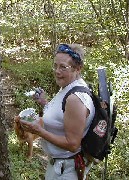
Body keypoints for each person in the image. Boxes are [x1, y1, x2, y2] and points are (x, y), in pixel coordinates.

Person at [20, 43, 95, 180]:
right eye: (55, 66)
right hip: (60, 166)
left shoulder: (75, 98)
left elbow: (72, 144)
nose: (57, 71)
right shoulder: (68, 87)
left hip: (67, 170)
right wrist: (44, 102)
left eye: (63, 67)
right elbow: (63, 116)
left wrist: (38, 131)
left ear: (77, 68)